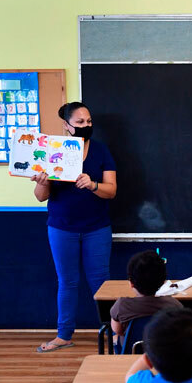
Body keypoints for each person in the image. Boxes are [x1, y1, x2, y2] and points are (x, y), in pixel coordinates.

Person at [32, 101, 118, 353]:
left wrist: (92, 185)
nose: (86, 126)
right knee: (67, 282)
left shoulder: (101, 151)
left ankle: (113, 333)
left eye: (89, 121)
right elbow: (40, 196)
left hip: (97, 228)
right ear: (66, 126)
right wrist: (42, 180)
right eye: (80, 122)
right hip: (62, 227)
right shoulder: (51, 150)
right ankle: (64, 335)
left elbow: (111, 190)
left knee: (101, 283)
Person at [109, 250, 182, 352]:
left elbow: (117, 330)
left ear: (131, 283)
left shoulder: (122, 305)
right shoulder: (174, 305)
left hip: (131, 353)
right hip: (164, 355)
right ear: (163, 282)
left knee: (115, 338)